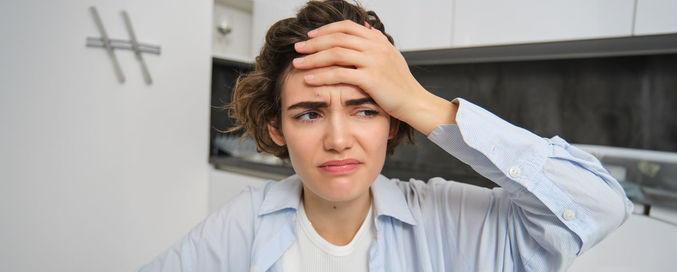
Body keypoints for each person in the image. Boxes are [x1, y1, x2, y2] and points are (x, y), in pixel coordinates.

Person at [140, 1, 633, 271]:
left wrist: (420, 101)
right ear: (278, 129)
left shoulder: (453, 224)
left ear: (394, 121)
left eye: (365, 110)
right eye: (309, 114)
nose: (338, 139)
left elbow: (600, 207)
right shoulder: (242, 225)